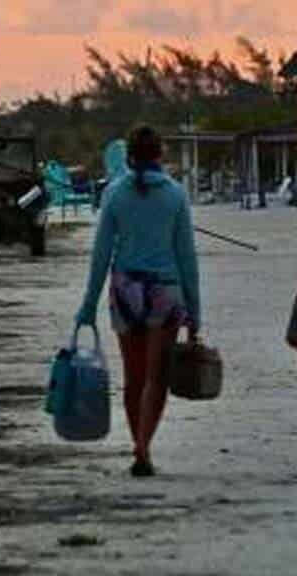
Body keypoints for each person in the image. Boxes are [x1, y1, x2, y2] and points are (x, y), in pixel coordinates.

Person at [76, 126, 201, 477]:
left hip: (126, 290)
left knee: (134, 378)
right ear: (160, 154)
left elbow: (100, 255)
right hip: (165, 291)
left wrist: (88, 306)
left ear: (129, 156)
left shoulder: (115, 194)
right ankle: (144, 445)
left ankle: (138, 444)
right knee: (156, 377)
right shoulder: (176, 195)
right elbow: (186, 257)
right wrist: (195, 311)